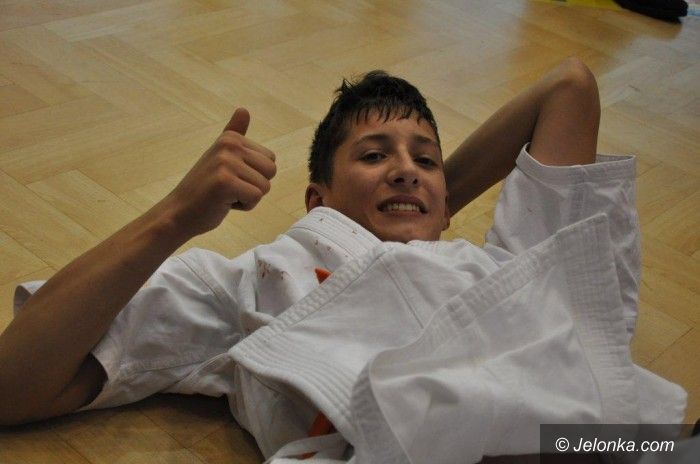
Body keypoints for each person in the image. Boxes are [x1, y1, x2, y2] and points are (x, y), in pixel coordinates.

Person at [0, 58, 687, 462]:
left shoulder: (500, 276)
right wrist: (173, 217)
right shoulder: (260, 281)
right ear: (315, 200)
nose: (406, 168)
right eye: (373, 155)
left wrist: (429, 205)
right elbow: (13, 386)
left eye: (425, 160)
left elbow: (569, 86)